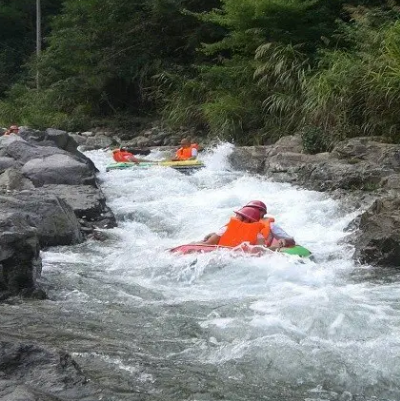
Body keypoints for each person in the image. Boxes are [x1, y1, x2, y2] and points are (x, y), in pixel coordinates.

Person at [199, 206, 267, 247]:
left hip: (221, 255)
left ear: (245, 218)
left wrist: (192, 244)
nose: (236, 216)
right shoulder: (259, 235)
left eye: (238, 215)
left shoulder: (225, 229)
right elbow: (261, 250)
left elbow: (209, 243)